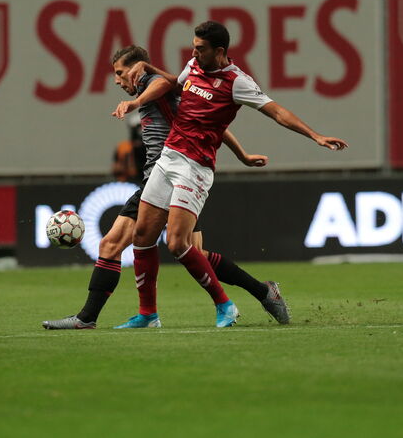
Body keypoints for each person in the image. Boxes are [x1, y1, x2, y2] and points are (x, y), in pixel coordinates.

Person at [115, 21, 348, 329]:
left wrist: (315, 135)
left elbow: (276, 111)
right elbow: (175, 84)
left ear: (219, 51)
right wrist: (148, 67)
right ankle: (148, 314)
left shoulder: (237, 82)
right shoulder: (193, 66)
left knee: (177, 244)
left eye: (201, 49)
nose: (194, 53)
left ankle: (225, 305)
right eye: (193, 47)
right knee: (142, 236)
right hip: (168, 158)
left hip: (195, 166)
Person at [42, 44, 290, 330]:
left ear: (137, 68)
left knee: (115, 244)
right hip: (166, 176)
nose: (117, 80)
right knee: (193, 252)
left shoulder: (153, 85)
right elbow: (213, 125)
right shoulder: (161, 94)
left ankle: (90, 318)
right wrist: (242, 155)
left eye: (121, 73)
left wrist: (138, 98)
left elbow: (161, 82)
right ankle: (262, 292)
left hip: (176, 173)